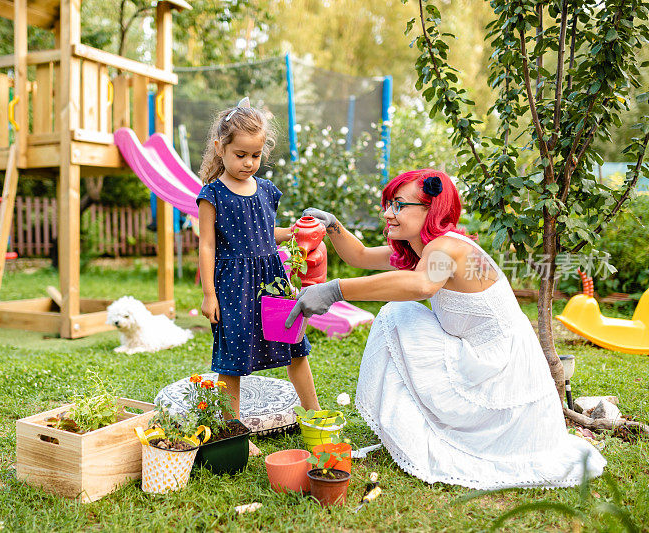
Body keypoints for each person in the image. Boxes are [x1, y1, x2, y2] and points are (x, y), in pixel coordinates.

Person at [286, 168, 605, 489]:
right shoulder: (419, 248)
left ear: (432, 209)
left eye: (399, 205)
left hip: (501, 370)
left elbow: (421, 284)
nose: (388, 213)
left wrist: (335, 290)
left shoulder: (448, 248)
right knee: (398, 316)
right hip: (476, 355)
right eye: (388, 204)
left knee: (397, 315)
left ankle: (419, 428)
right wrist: (332, 226)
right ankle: (412, 427)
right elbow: (361, 255)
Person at [197, 98, 320, 455]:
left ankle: (314, 416)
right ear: (220, 148)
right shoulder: (213, 195)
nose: (248, 163)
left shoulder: (266, 190)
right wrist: (209, 295)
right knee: (232, 361)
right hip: (233, 286)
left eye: (255, 155)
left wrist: (294, 232)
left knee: (296, 347)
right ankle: (234, 436)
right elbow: (206, 247)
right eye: (240, 155)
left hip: (272, 282)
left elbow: (266, 233)